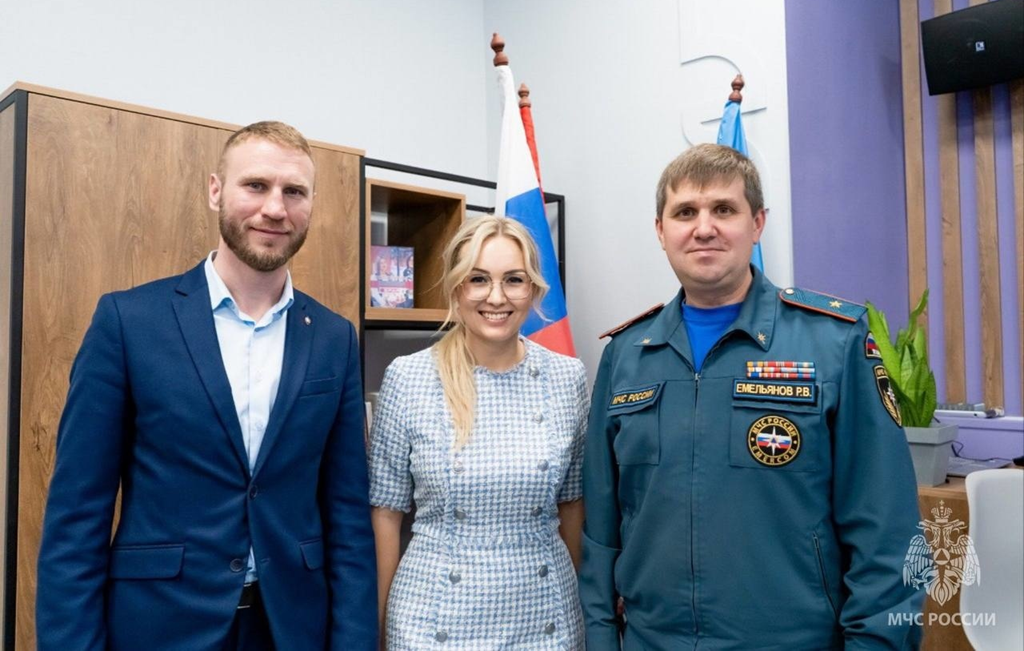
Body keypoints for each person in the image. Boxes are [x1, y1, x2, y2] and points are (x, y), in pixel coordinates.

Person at [36, 121, 377, 650]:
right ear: (216, 190)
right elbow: (77, 518)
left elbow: (348, 517)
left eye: (294, 192)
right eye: (256, 185)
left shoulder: (334, 338)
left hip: (291, 628)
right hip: (161, 627)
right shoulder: (129, 322)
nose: (275, 208)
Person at [579, 144, 923, 650]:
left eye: (724, 209)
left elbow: (887, 531)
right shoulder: (627, 354)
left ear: (757, 223)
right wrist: (602, 639)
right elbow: (601, 531)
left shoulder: (834, 342)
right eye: (685, 212)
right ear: (660, 231)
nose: (703, 228)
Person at [370, 216, 588, 649]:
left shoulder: (567, 377)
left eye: (514, 280)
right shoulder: (409, 378)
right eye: (478, 279)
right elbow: (386, 513)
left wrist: (581, 599)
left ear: (534, 289)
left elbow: (572, 503)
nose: (496, 297)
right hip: (433, 620)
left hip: (544, 615)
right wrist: (378, 627)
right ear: (456, 288)